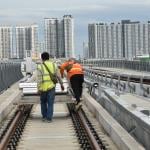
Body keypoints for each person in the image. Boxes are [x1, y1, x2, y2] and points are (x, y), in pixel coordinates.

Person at [37, 52, 64, 122]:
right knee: (50, 103)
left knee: (43, 103)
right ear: (48, 57)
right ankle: (49, 118)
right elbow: (58, 76)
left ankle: (44, 117)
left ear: (42, 58)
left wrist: (38, 88)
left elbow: (39, 79)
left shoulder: (40, 66)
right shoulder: (54, 65)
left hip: (43, 88)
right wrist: (61, 84)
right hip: (51, 87)